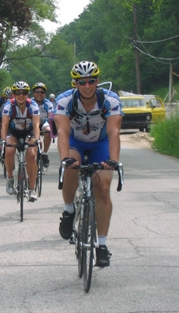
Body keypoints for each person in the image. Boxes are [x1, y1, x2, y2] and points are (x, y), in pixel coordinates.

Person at [53, 60, 123, 267]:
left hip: (100, 144)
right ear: (75, 84)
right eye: (81, 82)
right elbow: (63, 132)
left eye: (91, 81)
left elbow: (113, 132)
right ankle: (69, 210)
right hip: (76, 142)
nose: (87, 86)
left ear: (97, 81)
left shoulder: (110, 100)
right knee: (71, 167)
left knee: (102, 186)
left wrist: (114, 161)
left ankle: (101, 245)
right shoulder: (64, 100)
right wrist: (65, 158)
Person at [1, 81, 41, 202]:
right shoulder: (9, 105)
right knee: (8, 151)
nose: (21, 95)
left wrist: (37, 140)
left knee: (32, 154)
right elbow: (4, 125)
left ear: (28, 94)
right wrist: (3, 141)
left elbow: (36, 124)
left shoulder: (33, 105)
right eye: (18, 93)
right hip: (13, 132)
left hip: (29, 132)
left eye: (24, 93)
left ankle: (32, 189)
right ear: (13, 94)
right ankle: (10, 178)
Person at [31, 82, 54, 168]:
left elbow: (50, 117)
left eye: (42, 92)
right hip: (32, 123)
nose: (39, 94)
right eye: (37, 92)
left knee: (48, 130)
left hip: (43, 122)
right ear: (34, 93)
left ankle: (45, 154)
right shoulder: (29, 102)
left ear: (45, 94)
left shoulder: (48, 104)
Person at [0, 87, 12, 157]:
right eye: (6, 98)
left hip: (10, 117)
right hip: (0, 117)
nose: (7, 100)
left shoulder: (13, 101)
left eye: (9, 98)